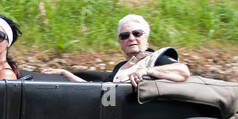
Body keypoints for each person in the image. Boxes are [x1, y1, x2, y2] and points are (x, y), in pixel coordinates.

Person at [41, 13, 190, 84]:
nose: (131, 38)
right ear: (120, 41)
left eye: (136, 33)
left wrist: (146, 71)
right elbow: (95, 89)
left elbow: (183, 72)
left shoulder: (156, 58)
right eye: (124, 36)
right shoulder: (120, 68)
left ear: (146, 36)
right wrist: (65, 73)